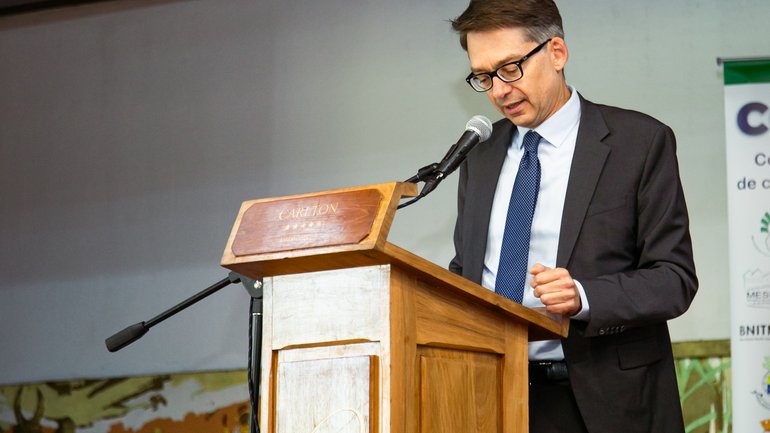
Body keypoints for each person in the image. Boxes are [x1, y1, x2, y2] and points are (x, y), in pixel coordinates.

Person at [447, 1, 698, 432]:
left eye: (510, 68)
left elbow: (673, 279)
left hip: (607, 403)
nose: (498, 91)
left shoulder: (638, 144)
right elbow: (467, 271)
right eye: (483, 76)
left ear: (557, 53)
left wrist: (584, 296)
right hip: (491, 398)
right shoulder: (479, 156)